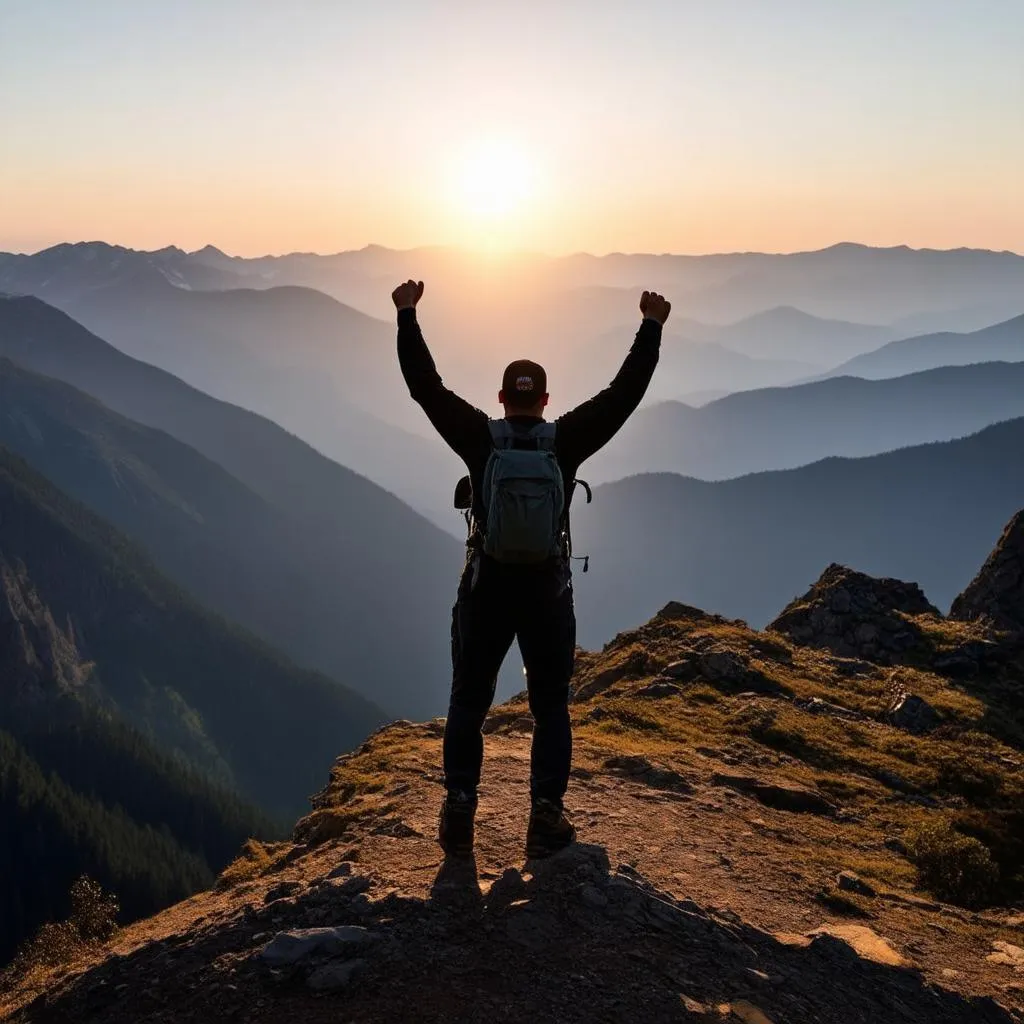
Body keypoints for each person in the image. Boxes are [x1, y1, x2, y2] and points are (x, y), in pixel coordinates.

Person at [393, 278, 670, 858]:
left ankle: (460, 809)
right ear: (544, 401)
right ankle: (545, 816)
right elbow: (623, 395)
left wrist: (408, 315)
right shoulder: (565, 441)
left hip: (487, 585)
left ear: (500, 398)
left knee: (469, 699)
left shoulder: (479, 439)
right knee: (549, 705)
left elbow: (426, 387)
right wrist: (650, 326)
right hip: (546, 588)